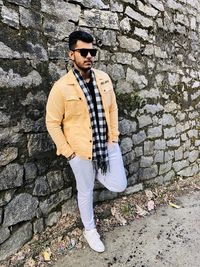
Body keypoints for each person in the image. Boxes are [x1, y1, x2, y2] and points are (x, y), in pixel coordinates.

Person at [46, 30, 127, 253]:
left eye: (92, 51)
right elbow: (52, 122)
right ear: (71, 54)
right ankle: (89, 229)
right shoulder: (61, 88)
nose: (89, 55)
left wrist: (114, 137)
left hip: (106, 145)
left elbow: (112, 108)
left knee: (120, 184)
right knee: (85, 191)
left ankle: (97, 169)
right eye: (83, 51)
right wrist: (68, 152)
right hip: (79, 151)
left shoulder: (104, 78)